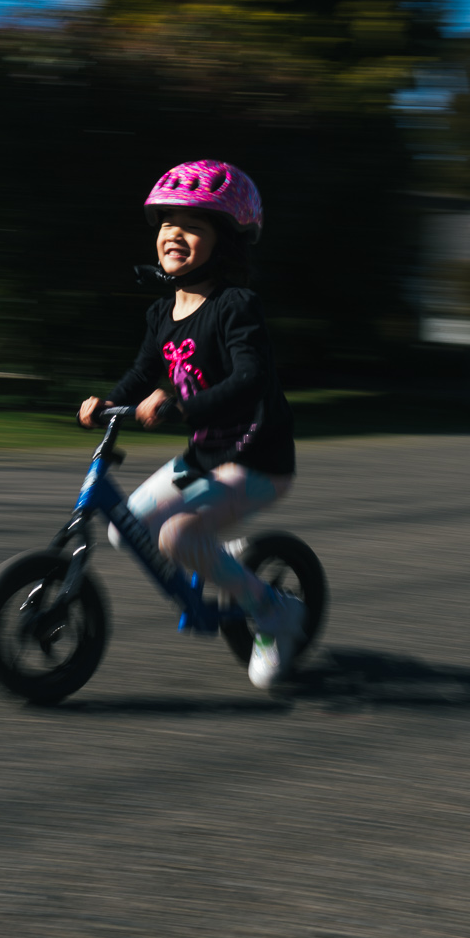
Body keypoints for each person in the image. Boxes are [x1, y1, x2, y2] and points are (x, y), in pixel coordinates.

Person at [78, 160, 305, 689]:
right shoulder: (163, 312)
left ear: (224, 243)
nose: (173, 234)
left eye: (193, 225)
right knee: (123, 527)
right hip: (207, 454)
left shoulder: (235, 307)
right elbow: (143, 371)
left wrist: (181, 407)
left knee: (178, 537)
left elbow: (250, 378)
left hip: (256, 458)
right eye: (166, 223)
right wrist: (107, 401)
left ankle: (275, 613)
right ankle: (220, 560)